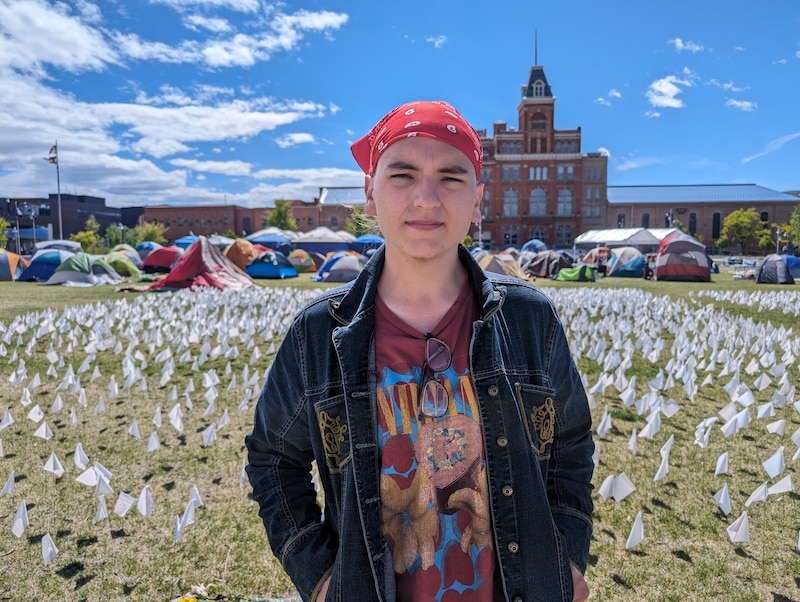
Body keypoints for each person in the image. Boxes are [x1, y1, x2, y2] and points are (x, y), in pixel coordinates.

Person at [245, 100, 594, 602]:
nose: (427, 199)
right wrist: (321, 577)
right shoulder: (317, 336)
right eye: (403, 174)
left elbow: (571, 442)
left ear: (477, 199)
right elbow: (273, 458)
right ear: (370, 193)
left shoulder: (528, 321)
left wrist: (569, 555)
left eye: (451, 178)